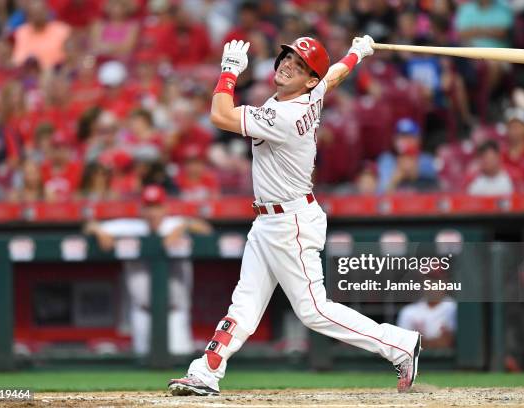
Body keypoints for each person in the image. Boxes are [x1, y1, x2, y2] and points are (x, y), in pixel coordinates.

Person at [168, 36, 421, 396]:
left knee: (314, 310)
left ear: (308, 81)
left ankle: (399, 344)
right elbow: (331, 77)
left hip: (291, 223)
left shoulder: (285, 114)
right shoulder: (309, 94)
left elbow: (220, 115)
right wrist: (356, 54)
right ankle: (206, 372)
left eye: (299, 65)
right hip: (271, 220)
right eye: (287, 57)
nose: (287, 64)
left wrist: (228, 72)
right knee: (245, 302)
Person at [84, 185, 212, 356]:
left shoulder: (174, 224)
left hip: (174, 313)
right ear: (141, 210)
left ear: (165, 208)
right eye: (148, 207)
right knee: (142, 367)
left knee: (180, 362)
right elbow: (89, 226)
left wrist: (184, 226)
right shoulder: (131, 227)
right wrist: (99, 232)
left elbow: (206, 229)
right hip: (142, 314)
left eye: (157, 207)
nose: (153, 213)